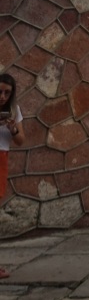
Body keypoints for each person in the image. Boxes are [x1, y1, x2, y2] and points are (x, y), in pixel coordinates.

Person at [0, 73, 25, 281]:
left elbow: (21, 140)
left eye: (7, 93)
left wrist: (12, 127)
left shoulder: (14, 110)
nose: (2, 96)